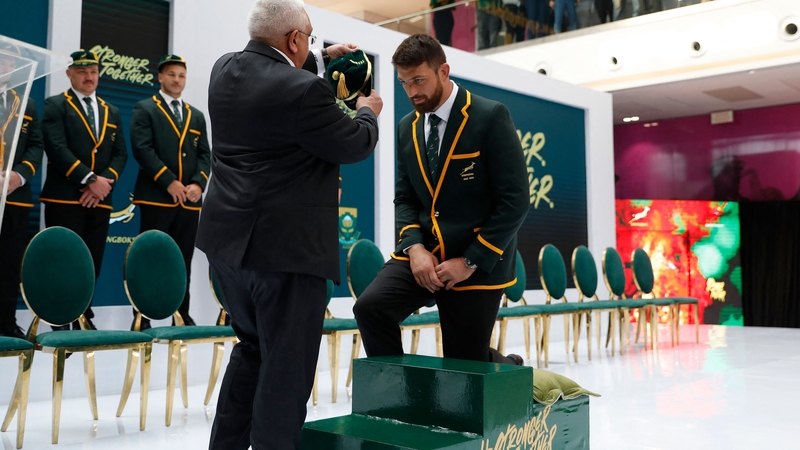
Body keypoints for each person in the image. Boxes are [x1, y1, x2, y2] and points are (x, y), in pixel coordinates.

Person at [195, 0, 382, 448]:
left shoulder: (223, 69)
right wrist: (368, 109)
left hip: (228, 249)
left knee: (253, 350)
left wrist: (322, 58)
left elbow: (272, 78)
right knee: (286, 373)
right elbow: (354, 143)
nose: (311, 45)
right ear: (293, 39)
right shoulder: (304, 92)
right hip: (285, 255)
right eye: (310, 37)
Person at [353, 34, 529, 366]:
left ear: (444, 71)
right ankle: (397, 396)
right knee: (370, 308)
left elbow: (515, 200)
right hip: (424, 254)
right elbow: (405, 198)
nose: (412, 92)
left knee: (464, 365)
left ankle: (507, 369)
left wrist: (470, 261)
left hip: (477, 260)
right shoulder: (407, 127)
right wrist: (415, 250)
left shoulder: (490, 116)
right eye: (404, 83)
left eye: (419, 80)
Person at [40, 50, 128, 331]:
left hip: (100, 200)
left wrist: (103, 184)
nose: (89, 77)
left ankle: (83, 315)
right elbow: (56, 147)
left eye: (93, 71)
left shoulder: (111, 110)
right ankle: (60, 318)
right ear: (69, 73)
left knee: (92, 261)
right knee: (63, 260)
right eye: (82, 71)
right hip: (64, 197)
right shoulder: (55, 105)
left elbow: (120, 154)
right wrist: (90, 179)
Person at [129, 54, 210, 329]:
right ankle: (142, 317)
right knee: (150, 259)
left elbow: (204, 154)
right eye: (172, 74)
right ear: (160, 77)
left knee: (182, 262)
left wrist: (198, 183)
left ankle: (181, 314)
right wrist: (169, 181)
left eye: (181, 75)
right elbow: (142, 149)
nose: (177, 80)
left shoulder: (195, 115)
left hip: (188, 201)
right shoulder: (145, 108)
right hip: (157, 198)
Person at [0, 44, 44, 339]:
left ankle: (5, 323)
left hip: (14, 197)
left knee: (9, 265)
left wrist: (18, 175)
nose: (8, 62)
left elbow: (35, 146)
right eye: (3, 57)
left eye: (13, 58)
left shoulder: (24, 101)